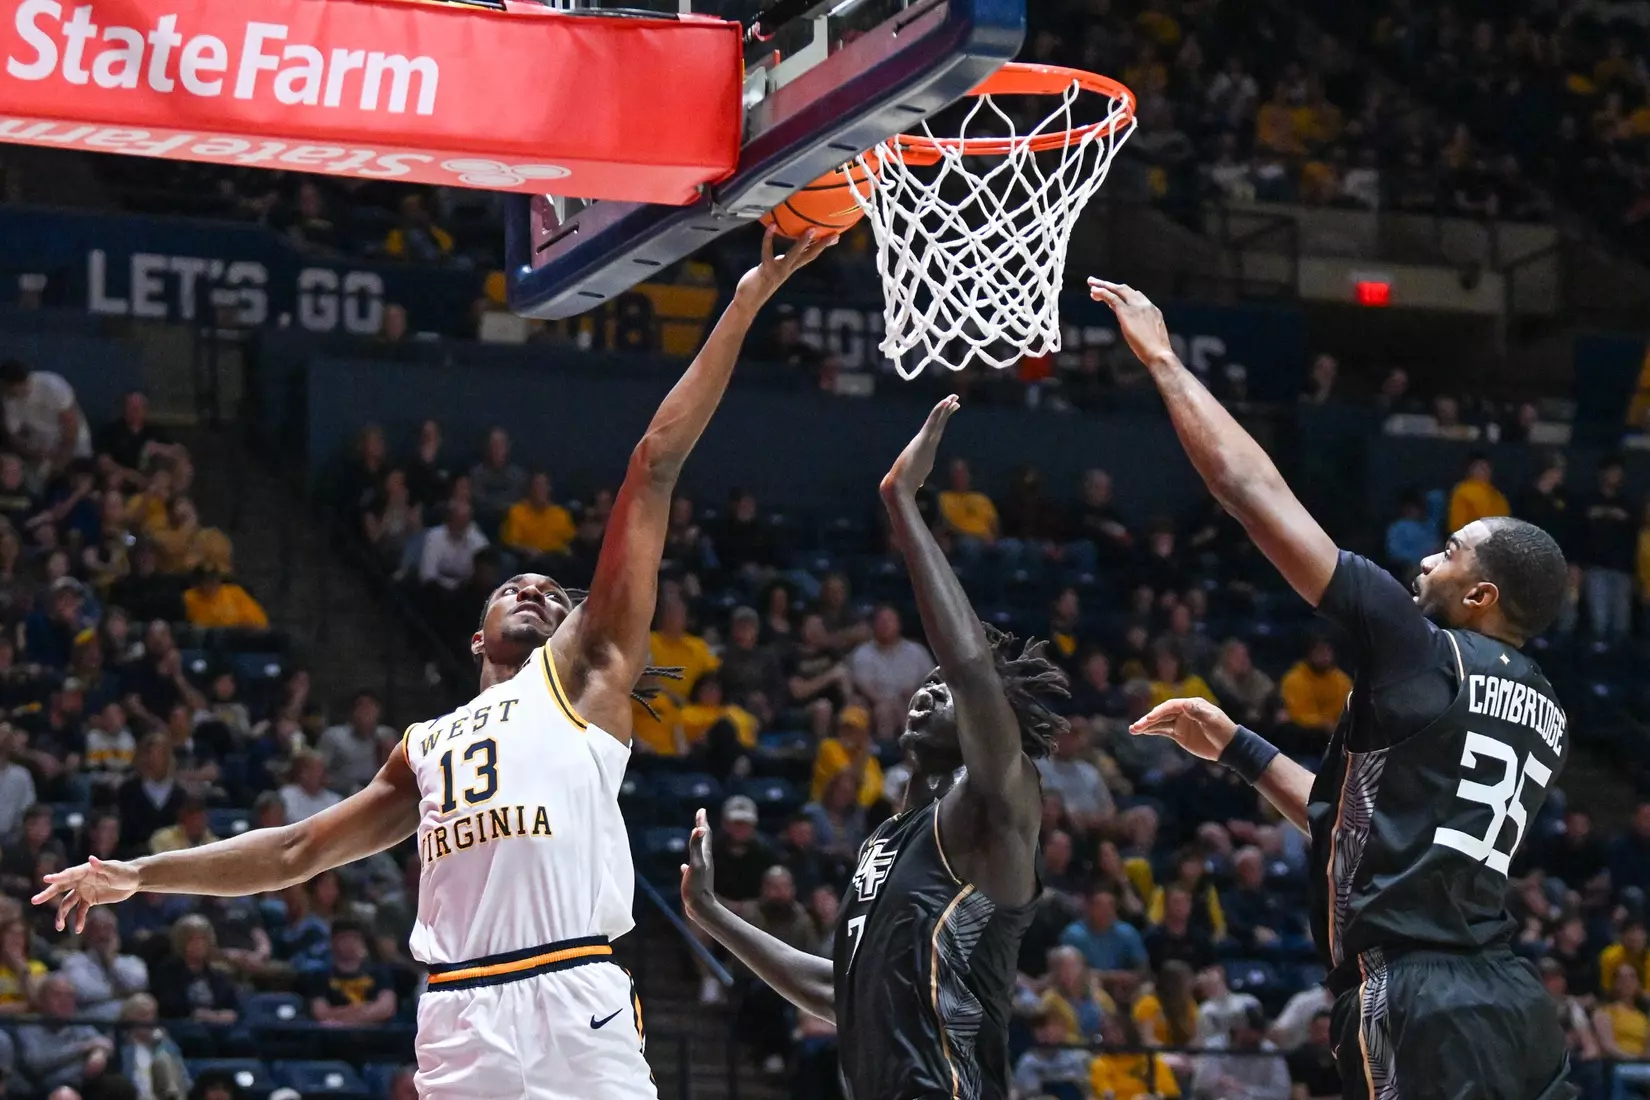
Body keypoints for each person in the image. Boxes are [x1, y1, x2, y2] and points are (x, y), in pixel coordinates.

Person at [33, 229, 834, 1100]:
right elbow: (297, 848)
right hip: (459, 1009)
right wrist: (143, 874)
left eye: (551, 593)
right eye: (514, 588)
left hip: (574, 992)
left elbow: (653, 466)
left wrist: (747, 296)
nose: (533, 591)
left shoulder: (589, 675)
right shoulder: (423, 744)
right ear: (475, 638)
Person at [1091, 277, 1574, 1100]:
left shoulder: (1421, 653)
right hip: (1512, 1000)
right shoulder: (1547, 707)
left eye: (1451, 551)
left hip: (1415, 997)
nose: (1428, 557)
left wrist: (1166, 362)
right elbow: (1366, 823)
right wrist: (1240, 749)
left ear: (1484, 594)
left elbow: (1252, 494)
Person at [682, 396, 1072, 1100]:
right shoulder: (887, 843)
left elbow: (973, 669)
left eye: (942, 687)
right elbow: (837, 991)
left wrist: (903, 506)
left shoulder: (1000, 803)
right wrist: (714, 917)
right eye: (924, 684)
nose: (929, 689)